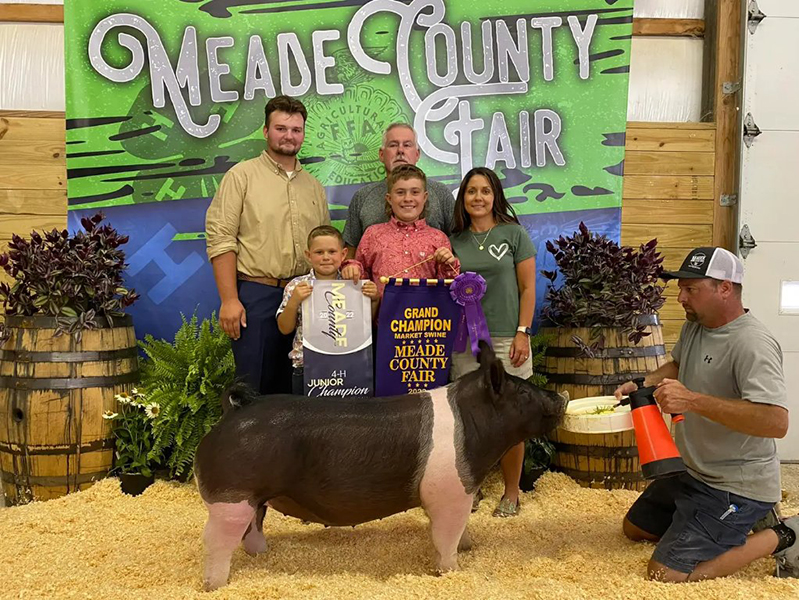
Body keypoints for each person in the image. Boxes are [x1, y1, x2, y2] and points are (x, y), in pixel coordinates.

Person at [614, 246, 797, 581]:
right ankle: (723, 527)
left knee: (666, 573)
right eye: (681, 288)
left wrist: (694, 401)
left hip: (736, 485)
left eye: (691, 289)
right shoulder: (696, 324)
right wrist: (644, 382)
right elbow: (680, 364)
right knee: (634, 529)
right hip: (693, 472)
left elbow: (776, 422)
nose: (681, 297)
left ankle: (784, 533)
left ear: (725, 288)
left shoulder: (753, 344)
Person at [205, 95, 330, 394]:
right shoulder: (241, 176)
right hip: (257, 297)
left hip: (306, 297)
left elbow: (325, 246)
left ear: (303, 133)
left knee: (302, 387)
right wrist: (230, 300)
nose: (289, 135)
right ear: (266, 131)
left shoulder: (314, 187)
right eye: (281, 128)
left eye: (296, 130)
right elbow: (221, 237)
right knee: (253, 389)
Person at [448, 166, 537, 518]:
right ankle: (471, 489)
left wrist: (523, 331)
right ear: (463, 198)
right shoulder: (453, 242)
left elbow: (529, 288)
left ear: (495, 195)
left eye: (485, 191)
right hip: (464, 343)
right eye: (471, 191)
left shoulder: (514, 235)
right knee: (467, 419)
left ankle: (512, 492)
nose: (478, 197)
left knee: (511, 419)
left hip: (506, 339)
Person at [276, 226, 378, 395]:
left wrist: (374, 300)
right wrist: (294, 301)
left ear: (343, 254)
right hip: (306, 367)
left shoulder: (354, 285)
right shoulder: (295, 286)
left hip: (349, 366)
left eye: (332, 251)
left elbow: (365, 325)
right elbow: (284, 328)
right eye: (319, 252)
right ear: (308, 255)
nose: (326, 257)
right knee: (307, 419)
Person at [343, 164, 459, 297]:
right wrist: (352, 269)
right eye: (400, 192)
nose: (408, 199)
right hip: (383, 316)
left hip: (426, 316)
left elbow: (447, 288)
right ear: (389, 199)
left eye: (415, 192)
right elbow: (362, 276)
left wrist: (448, 264)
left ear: (425, 197)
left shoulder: (439, 238)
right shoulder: (372, 234)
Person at [343, 123, 455, 256]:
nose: (400, 150)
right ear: (381, 154)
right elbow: (350, 251)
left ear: (417, 154)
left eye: (407, 145)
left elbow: (457, 246)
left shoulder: (441, 193)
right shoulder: (362, 196)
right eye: (393, 145)